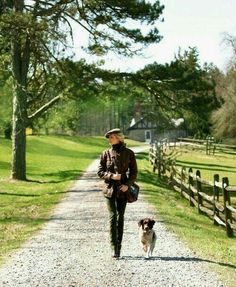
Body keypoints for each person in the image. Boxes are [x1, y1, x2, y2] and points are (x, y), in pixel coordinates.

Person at [97, 128, 138, 258]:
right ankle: (113, 246)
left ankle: (119, 248)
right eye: (108, 137)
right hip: (109, 189)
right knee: (113, 216)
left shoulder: (129, 153)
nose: (109, 139)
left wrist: (128, 185)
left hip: (123, 190)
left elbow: (133, 172)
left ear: (119, 138)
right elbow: (100, 172)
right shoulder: (105, 154)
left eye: (111, 137)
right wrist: (111, 176)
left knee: (121, 217)